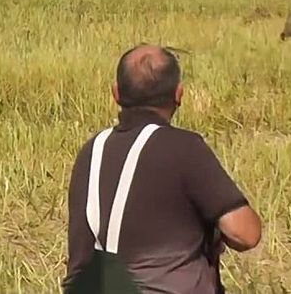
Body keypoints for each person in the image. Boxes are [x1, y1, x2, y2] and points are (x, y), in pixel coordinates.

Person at [63, 44, 261, 294]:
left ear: (116, 93)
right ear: (179, 94)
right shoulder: (185, 148)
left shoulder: (90, 151)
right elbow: (245, 233)